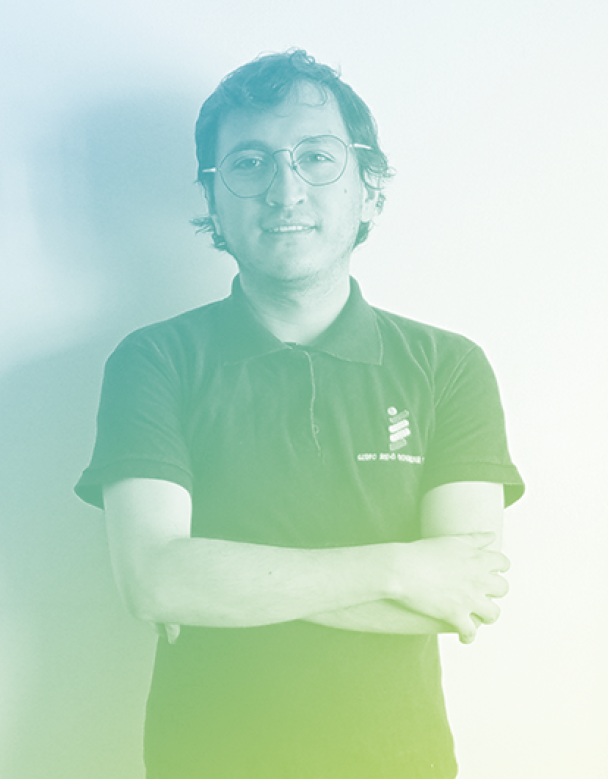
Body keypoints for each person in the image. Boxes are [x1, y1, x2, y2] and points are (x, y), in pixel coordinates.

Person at [75, 49, 524, 779]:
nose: (285, 190)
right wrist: (400, 567)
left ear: (369, 189)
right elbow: (156, 580)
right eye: (250, 164)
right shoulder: (155, 360)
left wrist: (221, 579)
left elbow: (462, 595)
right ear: (214, 200)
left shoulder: (448, 366)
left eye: (316, 157)